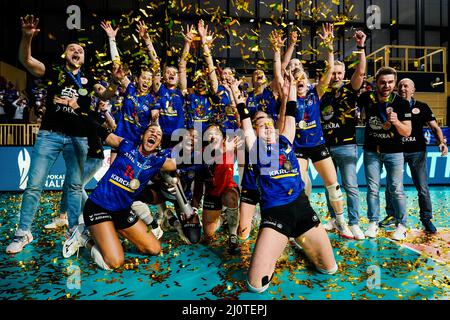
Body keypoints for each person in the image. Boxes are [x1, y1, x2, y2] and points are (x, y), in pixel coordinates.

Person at [6, 15, 119, 254]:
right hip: (50, 135)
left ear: (84, 58)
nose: (76, 52)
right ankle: (23, 232)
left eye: (80, 50)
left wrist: (115, 79)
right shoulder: (53, 71)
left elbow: (107, 94)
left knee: (75, 187)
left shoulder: (91, 81)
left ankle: (73, 233)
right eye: (71, 49)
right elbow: (25, 60)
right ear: (65, 55)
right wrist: (27, 38)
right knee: (34, 185)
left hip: (78, 140)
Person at [230, 70, 337, 293]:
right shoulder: (255, 148)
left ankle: (299, 241)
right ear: (256, 132)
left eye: (270, 125)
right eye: (262, 126)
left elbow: (290, 114)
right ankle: (275, 246)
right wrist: (237, 97)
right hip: (276, 215)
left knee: (330, 269)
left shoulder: (286, 141)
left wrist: (289, 92)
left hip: (302, 210)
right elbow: (246, 125)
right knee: (256, 286)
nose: (267, 128)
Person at [272, 24, 352, 239]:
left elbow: (329, 70)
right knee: (299, 185)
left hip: (317, 146)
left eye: (303, 81)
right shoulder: (288, 96)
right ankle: (300, 222)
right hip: (297, 148)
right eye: (297, 83)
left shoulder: (315, 93)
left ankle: (340, 221)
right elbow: (279, 75)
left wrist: (329, 46)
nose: (301, 85)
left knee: (333, 186)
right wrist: (278, 51)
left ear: (308, 81)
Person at [62, 123, 177, 270]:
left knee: (154, 249)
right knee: (114, 263)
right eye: (151, 131)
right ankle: (82, 238)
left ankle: (111, 230)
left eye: (158, 134)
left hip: (122, 211)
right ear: (142, 136)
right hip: (99, 207)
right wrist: (80, 109)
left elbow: (183, 161)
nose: (154, 134)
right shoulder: (126, 145)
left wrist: (205, 145)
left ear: (159, 143)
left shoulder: (157, 162)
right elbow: (100, 131)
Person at [380, 78, 448, 234]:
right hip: (396, 151)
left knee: (422, 188)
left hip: (417, 152)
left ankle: (426, 219)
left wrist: (441, 142)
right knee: (392, 186)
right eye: (400, 86)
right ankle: (391, 215)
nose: (403, 88)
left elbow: (434, 127)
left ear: (413, 90)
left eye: (406, 86)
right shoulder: (390, 106)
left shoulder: (422, 107)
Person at [319, 30, 367, 240]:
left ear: (345, 75)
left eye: (340, 73)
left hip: (347, 145)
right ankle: (333, 218)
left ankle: (354, 222)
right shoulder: (322, 93)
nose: (336, 76)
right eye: (333, 73)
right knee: (332, 186)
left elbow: (361, 72)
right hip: (326, 147)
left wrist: (361, 47)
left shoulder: (351, 90)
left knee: (350, 186)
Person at [357, 67, 412, 240]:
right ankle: (373, 223)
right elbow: (353, 110)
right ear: (376, 83)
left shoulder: (402, 103)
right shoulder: (366, 97)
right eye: (382, 82)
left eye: (390, 82)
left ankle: (402, 225)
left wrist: (396, 122)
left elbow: (407, 132)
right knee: (372, 189)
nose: (386, 85)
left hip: (394, 152)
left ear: (394, 83)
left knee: (396, 189)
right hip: (372, 151)